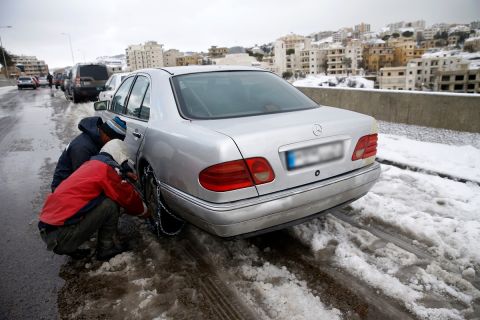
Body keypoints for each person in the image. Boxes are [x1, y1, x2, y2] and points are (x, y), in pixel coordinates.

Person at [38, 140, 150, 261]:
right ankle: (106, 249)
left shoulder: (91, 165)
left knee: (96, 200)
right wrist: (145, 211)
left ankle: (71, 245)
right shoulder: (106, 170)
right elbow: (128, 198)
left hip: (48, 229)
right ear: (118, 156)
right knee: (110, 205)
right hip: (60, 237)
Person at [51, 116, 127, 192]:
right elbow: (83, 178)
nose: (113, 145)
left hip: (77, 181)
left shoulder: (96, 139)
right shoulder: (83, 148)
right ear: (107, 137)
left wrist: (124, 169)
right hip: (64, 189)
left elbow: (108, 157)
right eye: (113, 142)